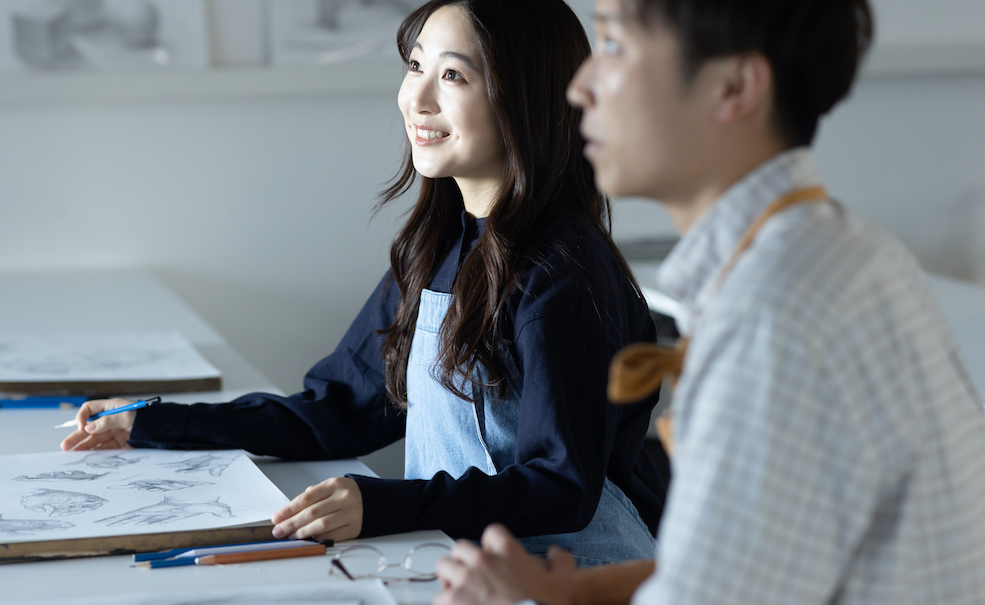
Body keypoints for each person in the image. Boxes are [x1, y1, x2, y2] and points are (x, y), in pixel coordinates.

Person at [432, 0, 985, 605]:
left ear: (733, 88)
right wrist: (571, 593)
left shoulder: (770, 318)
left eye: (613, 46)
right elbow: (744, 582)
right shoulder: (848, 253)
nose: (579, 88)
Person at [60, 0, 667, 566]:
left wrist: (382, 504)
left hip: (583, 585)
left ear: (525, 98)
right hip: (471, 573)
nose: (417, 99)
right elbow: (337, 412)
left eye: (453, 76)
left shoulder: (563, 269)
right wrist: (152, 422)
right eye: (415, 66)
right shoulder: (435, 248)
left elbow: (563, 485)